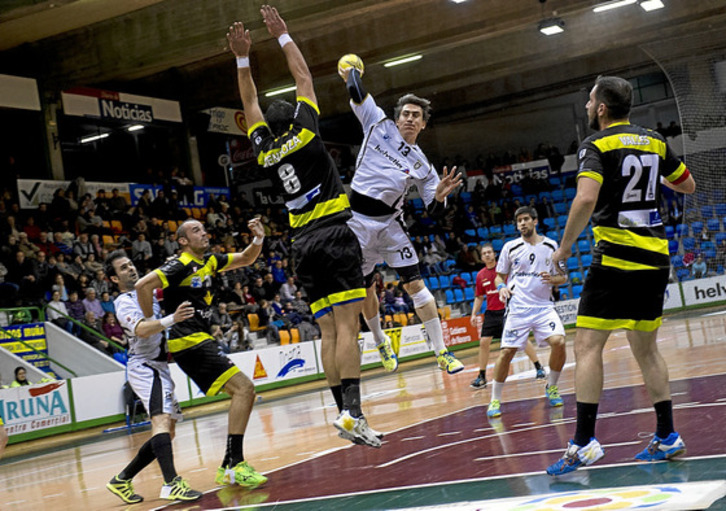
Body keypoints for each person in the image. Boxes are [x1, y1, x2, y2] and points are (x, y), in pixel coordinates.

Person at [227, 5, 380, 448]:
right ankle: (354, 412)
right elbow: (303, 78)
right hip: (333, 233)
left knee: (329, 331)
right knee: (349, 327)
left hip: (302, 244)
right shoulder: (307, 133)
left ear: (266, 129)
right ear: (293, 119)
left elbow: (249, 104)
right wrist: (282, 34)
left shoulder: (264, 151)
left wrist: (242, 57)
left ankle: (342, 413)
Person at [546, 76, 695, 476]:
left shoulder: (594, 145)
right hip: (656, 258)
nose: (586, 106)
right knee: (647, 350)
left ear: (601, 109)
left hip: (615, 258)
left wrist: (563, 249)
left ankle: (583, 443)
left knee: (587, 346)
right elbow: (688, 185)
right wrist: (649, 179)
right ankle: (667, 436)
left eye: (589, 101)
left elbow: (586, 198)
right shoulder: (654, 141)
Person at [339, 52, 464, 375]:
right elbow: (356, 91)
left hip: (390, 226)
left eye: (416, 115)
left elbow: (434, 209)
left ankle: (441, 351)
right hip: (357, 223)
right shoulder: (377, 122)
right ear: (397, 119)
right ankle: (380, 340)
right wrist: (351, 72)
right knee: (366, 289)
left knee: (415, 284)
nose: (409, 118)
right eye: (405, 113)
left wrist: (439, 196)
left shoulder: (422, 163)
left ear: (423, 124)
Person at [136, 217, 269, 487]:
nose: (204, 233)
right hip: (188, 341)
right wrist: (154, 321)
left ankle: (229, 465)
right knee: (244, 389)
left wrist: (258, 238)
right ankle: (234, 464)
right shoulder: (179, 264)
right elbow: (142, 286)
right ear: (183, 241)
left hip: (200, 339)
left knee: (244, 392)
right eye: (196, 230)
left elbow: (246, 258)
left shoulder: (209, 261)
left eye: (204, 229)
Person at [104, 251, 202, 503]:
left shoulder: (145, 293)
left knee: (168, 431)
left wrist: (173, 265)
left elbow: (162, 284)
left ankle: (122, 479)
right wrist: (172, 319)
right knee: (160, 422)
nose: (130, 269)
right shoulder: (123, 302)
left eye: (130, 264)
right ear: (114, 279)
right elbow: (141, 330)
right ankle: (171, 483)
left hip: (160, 366)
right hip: (144, 367)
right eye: (123, 268)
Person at [487, 206, 568, 418]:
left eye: (525, 219)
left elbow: (563, 277)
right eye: (519, 221)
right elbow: (499, 276)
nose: (522, 223)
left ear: (535, 221)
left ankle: (552, 387)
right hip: (518, 308)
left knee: (559, 342)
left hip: (544, 307)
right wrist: (501, 287)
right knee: (507, 352)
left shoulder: (551, 246)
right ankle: (495, 400)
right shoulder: (510, 247)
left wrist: (553, 279)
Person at [469, 243, 546, 389]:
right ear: (481, 258)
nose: (487, 255)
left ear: (494, 254)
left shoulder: (505, 270)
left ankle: (539, 367)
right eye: (484, 253)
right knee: (484, 342)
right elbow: (479, 297)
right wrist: (474, 314)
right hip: (491, 313)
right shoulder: (480, 275)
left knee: (522, 339)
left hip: (508, 310)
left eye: (489, 252)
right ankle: (482, 376)